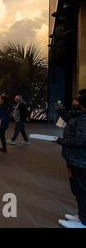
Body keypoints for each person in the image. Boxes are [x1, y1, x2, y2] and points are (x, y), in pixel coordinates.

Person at [55, 93, 86, 228]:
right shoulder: (79, 115)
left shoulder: (84, 119)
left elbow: (80, 140)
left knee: (81, 190)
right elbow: (69, 118)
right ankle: (81, 216)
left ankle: (83, 222)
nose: (73, 101)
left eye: (76, 100)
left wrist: (62, 141)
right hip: (75, 158)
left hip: (80, 160)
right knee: (77, 190)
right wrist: (61, 109)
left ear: (81, 103)